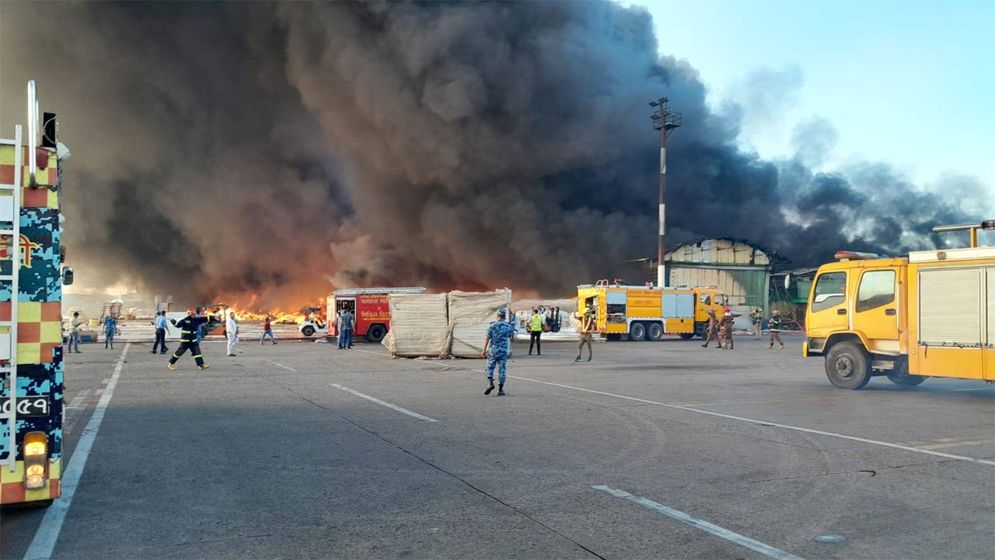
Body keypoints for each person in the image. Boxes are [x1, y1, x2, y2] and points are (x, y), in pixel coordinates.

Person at [481, 308, 516, 396]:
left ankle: (490, 382)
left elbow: (487, 338)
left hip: (493, 350)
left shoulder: (492, 326)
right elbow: (511, 336)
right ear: (505, 316)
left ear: (497, 316)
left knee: (489, 367)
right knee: (502, 369)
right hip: (503, 351)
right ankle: (501, 389)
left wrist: (484, 350)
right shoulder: (508, 326)